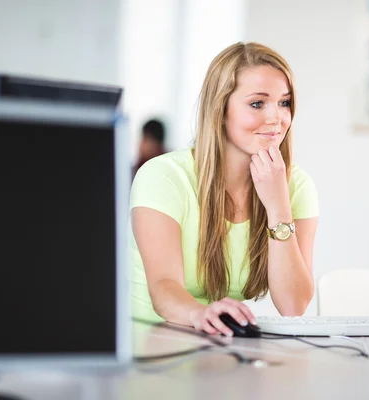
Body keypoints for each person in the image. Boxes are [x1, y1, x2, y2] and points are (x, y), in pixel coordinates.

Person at [129, 42, 319, 336]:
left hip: (213, 346)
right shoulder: (163, 176)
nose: (276, 118)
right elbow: (164, 289)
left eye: (284, 102)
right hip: (149, 343)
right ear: (221, 109)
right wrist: (204, 314)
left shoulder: (296, 187)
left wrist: (278, 206)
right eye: (258, 103)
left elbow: (293, 306)